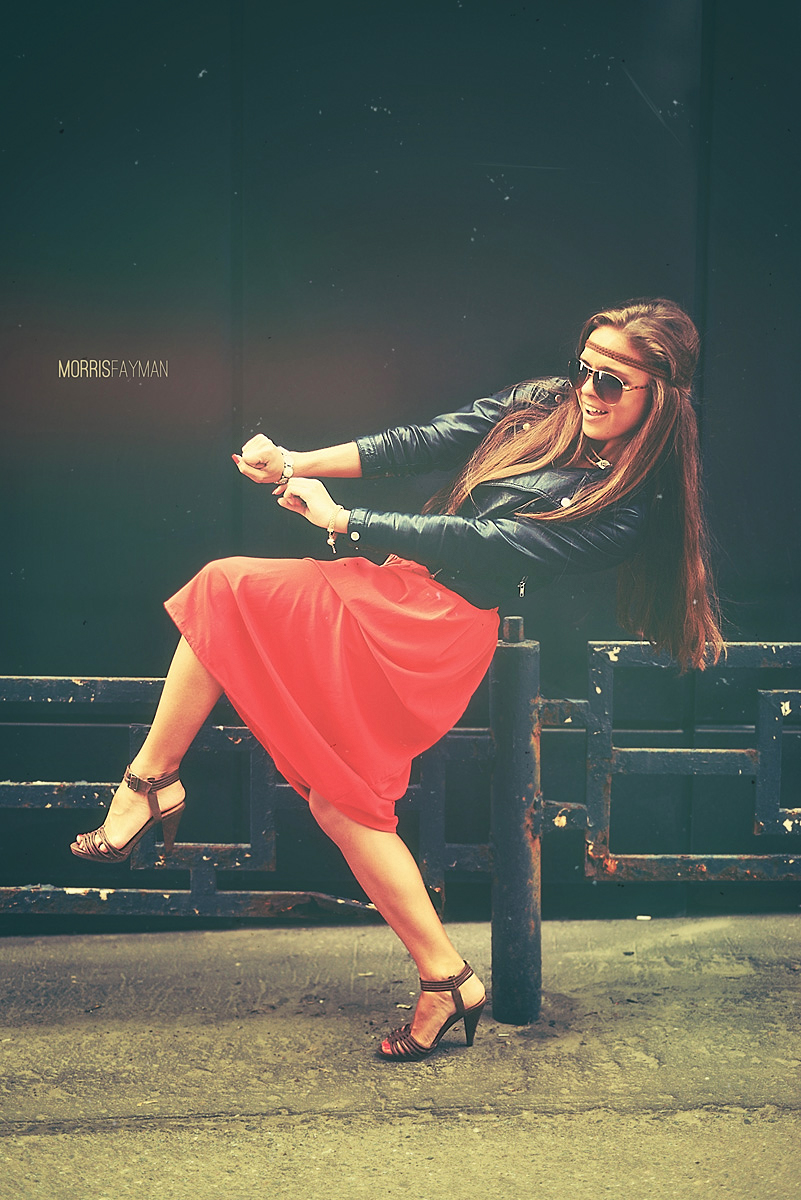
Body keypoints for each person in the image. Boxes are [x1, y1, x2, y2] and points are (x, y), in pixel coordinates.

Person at [70, 297, 723, 1060]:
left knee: (226, 592)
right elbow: (424, 440)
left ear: (659, 397)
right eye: (585, 369)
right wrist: (295, 463)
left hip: (431, 631)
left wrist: (345, 522)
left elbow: (485, 542)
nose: (586, 390)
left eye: (610, 382)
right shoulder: (545, 402)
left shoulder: (623, 511)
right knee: (340, 798)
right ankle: (447, 977)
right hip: (397, 591)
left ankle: (151, 783)